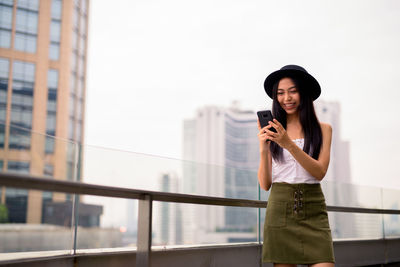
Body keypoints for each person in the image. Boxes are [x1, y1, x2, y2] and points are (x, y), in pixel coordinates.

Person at [257, 65, 335, 267]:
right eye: (280, 93)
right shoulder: (273, 131)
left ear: (304, 92)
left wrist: (288, 144)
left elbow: (319, 172)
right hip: (280, 209)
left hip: (314, 208)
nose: (286, 98)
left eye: (293, 91)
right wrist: (263, 148)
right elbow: (265, 184)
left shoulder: (323, 130)